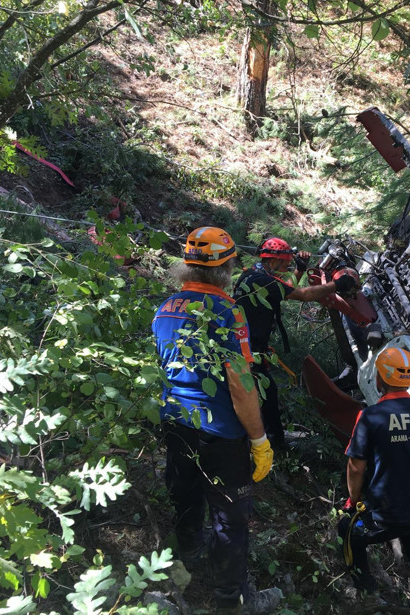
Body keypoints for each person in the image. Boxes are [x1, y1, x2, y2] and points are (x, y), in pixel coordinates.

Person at [152, 226, 281, 615]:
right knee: (231, 516)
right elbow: (241, 386)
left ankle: (189, 551)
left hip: (176, 422)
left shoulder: (166, 307)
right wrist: (259, 440)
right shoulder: (228, 310)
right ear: (226, 268)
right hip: (220, 435)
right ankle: (234, 600)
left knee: (185, 492)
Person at [338, 347, 410, 600]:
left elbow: (356, 467)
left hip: (388, 515)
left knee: (348, 528)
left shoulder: (370, 416)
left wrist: (354, 500)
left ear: (379, 379)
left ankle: (365, 589)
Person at [233, 236, 356, 448]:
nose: (287, 265)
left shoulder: (254, 274)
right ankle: (274, 445)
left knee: (264, 393)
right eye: (285, 262)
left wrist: (299, 270)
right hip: (248, 349)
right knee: (266, 396)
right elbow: (303, 295)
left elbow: (284, 289)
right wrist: (336, 285)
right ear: (273, 261)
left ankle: (263, 438)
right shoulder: (263, 280)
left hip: (249, 346)